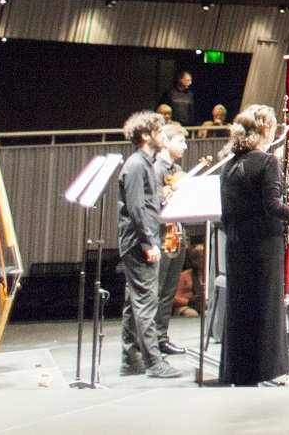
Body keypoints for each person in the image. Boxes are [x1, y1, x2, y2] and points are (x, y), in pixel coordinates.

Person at [219, 103, 289, 385]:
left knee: (240, 307)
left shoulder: (228, 165)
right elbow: (273, 206)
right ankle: (269, 371)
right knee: (267, 308)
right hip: (265, 245)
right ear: (266, 130)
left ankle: (238, 371)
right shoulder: (268, 162)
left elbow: (226, 213)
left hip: (236, 244)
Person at [118, 110, 183, 378]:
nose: (163, 137)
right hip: (138, 242)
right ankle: (154, 361)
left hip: (138, 240)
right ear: (146, 136)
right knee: (147, 302)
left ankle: (131, 360)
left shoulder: (143, 163)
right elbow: (136, 208)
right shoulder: (136, 165)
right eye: (159, 131)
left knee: (135, 301)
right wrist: (149, 243)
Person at [153, 122, 192, 357]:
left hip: (176, 237)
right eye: (181, 141)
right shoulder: (155, 170)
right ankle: (148, 341)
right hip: (160, 238)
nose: (185, 146)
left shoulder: (176, 168)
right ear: (165, 142)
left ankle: (161, 337)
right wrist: (164, 196)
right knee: (156, 292)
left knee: (168, 292)